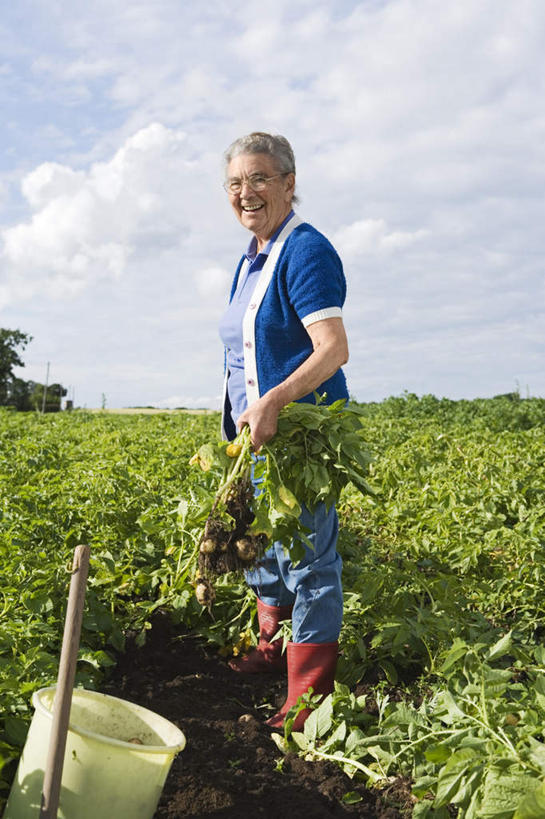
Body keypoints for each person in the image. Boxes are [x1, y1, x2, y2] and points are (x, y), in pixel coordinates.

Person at [218, 132, 349, 731]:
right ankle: (274, 647)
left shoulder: (305, 251)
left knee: (311, 561)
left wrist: (273, 400)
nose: (246, 193)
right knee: (264, 547)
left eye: (260, 179)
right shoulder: (252, 258)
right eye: (235, 183)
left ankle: (309, 695)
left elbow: (332, 350)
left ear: (290, 184)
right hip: (256, 438)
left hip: (301, 440)